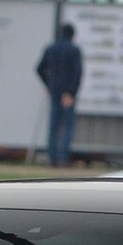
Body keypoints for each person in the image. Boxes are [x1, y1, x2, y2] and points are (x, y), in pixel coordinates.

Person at [35, 23, 83, 166]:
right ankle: (63, 158)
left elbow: (39, 69)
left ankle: (52, 158)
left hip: (54, 91)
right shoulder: (74, 50)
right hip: (67, 93)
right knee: (67, 127)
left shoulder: (50, 48)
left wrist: (48, 84)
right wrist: (71, 92)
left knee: (53, 126)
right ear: (72, 35)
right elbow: (78, 73)